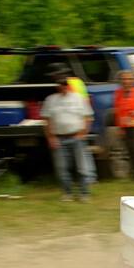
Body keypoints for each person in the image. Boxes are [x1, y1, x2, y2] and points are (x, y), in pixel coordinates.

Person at [41, 72, 94, 201]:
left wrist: (83, 133)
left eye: (65, 84)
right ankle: (67, 193)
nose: (63, 87)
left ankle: (84, 193)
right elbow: (46, 120)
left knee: (82, 167)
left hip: (76, 137)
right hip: (58, 138)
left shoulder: (78, 98)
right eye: (61, 85)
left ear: (68, 85)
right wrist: (50, 137)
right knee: (62, 168)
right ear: (57, 86)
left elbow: (88, 117)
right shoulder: (50, 100)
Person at [47, 63, 97, 183]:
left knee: (82, 152)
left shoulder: (70, 83)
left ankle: (89, 177)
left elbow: (80, 100)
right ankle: (89, 177)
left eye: (54, 74)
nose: (52, 76)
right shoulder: (75, 82)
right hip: (75, 117)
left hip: (77, 118)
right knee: (82, 151)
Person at [113, 70, 134, 182]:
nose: (127, 81)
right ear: (121, 81)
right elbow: (117, 111)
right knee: (129, 150)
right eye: (124, 79)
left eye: (129, 79)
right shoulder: (118, 93)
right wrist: (119, 127)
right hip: (125, 125)